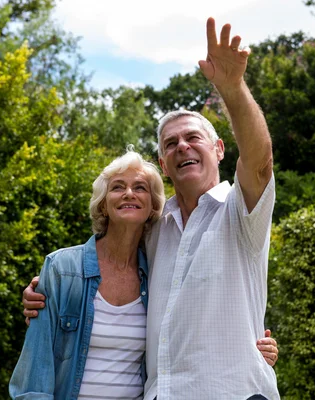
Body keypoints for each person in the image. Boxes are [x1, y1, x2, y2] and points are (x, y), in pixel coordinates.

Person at [23, 17, 280, 399]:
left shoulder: (242, 212)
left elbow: (260, 162)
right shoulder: (155, 227)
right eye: (171, 144)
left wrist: (232, 88)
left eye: (194, 138)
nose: (182, 147)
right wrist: (49, 289)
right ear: (163, 163)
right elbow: (106, 259)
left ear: (220, 150)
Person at [10, 150, 165, 399]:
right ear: (103, 204)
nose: (129, 193)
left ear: (153, 205)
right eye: (117, 187)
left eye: (140, 187)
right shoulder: (62, 268)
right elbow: (35, 370)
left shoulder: (159, 273)